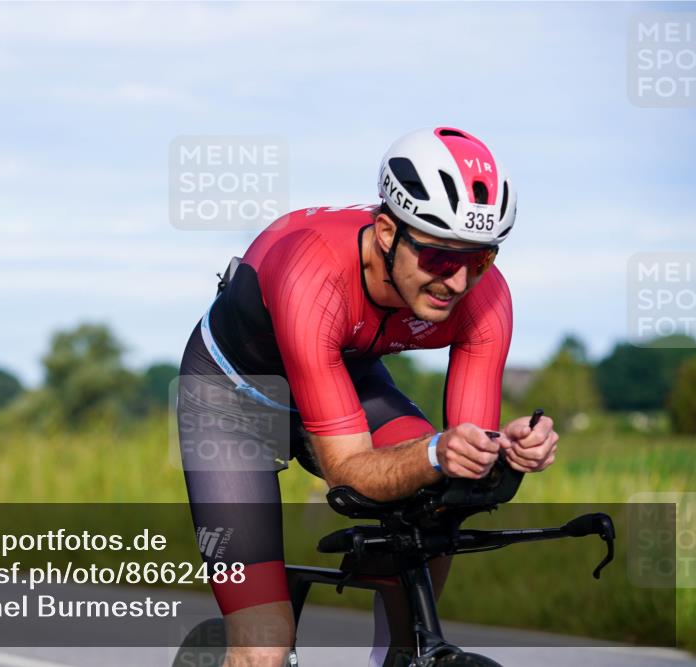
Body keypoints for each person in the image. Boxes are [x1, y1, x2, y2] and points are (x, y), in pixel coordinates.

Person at [176, 127, 560, 667]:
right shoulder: (312, 273)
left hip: (347, 379)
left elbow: (463, 456)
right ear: (386, 232)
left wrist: (502, 450)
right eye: (439, 259)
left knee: (438, 502)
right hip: (232, 399)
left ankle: (399, 657)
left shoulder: (486, 297)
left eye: (479, 260)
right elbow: (348, 470)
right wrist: (433, 453)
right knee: (263, 647)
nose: (457, 282)